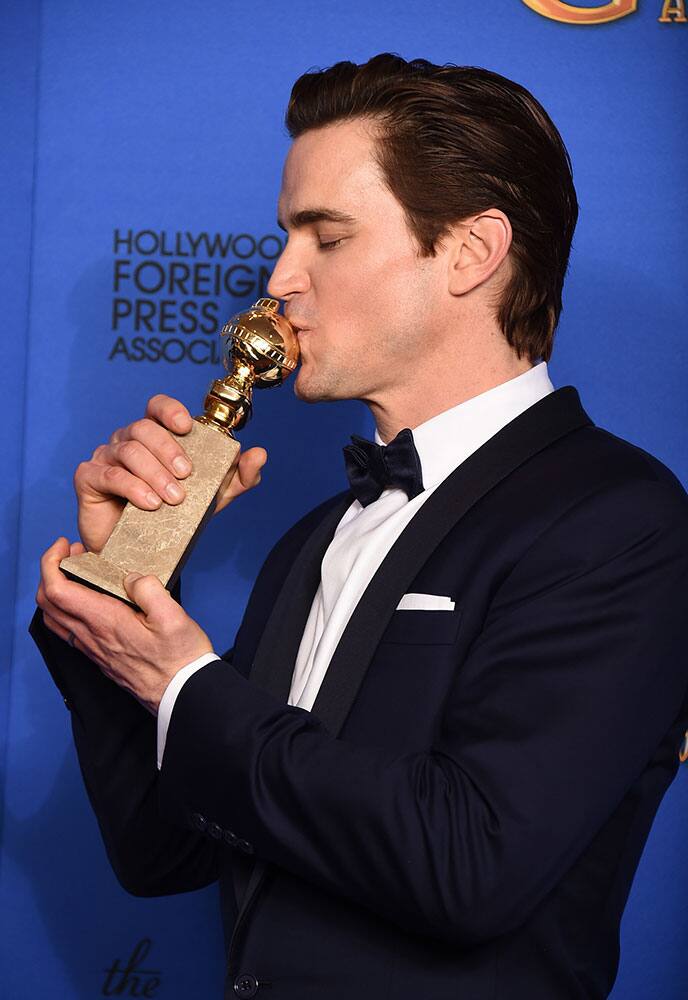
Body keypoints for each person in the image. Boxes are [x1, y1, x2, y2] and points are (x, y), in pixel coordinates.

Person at [31, 54, 688, 1000]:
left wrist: (186, 684)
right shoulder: (315, 537)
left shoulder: (620, 519)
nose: (278, 278)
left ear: (470, 251)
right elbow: (160, 852)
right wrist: (123, 576)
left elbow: (470, 868)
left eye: (325, 237)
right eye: (285, 234)